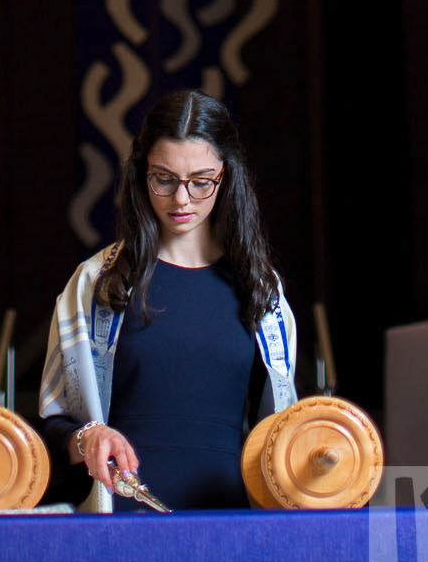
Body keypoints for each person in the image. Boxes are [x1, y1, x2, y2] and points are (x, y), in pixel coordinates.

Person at [39, 88, 297, 512]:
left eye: (200, 182)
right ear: (142, 174)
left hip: (230, 526)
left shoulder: (261, 290)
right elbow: (51, 429)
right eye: (164, 178)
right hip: (119, 525)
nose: (181, 199)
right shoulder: (95, 284)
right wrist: (86, 439)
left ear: (226, 177)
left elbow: (282, 432)